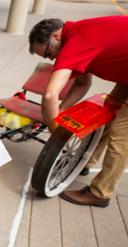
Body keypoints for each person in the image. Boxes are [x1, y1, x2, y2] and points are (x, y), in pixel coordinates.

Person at [28, 16, 128, 207]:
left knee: (121, 134)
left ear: (56, 35)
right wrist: (61, 112)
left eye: (49, 53)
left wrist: (55, 133)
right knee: (108, 114)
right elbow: (83, 83)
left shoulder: (76, 41)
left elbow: (50, 96)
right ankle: (85, 162)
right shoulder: (79, 33)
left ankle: (100, 193)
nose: (52, 60)